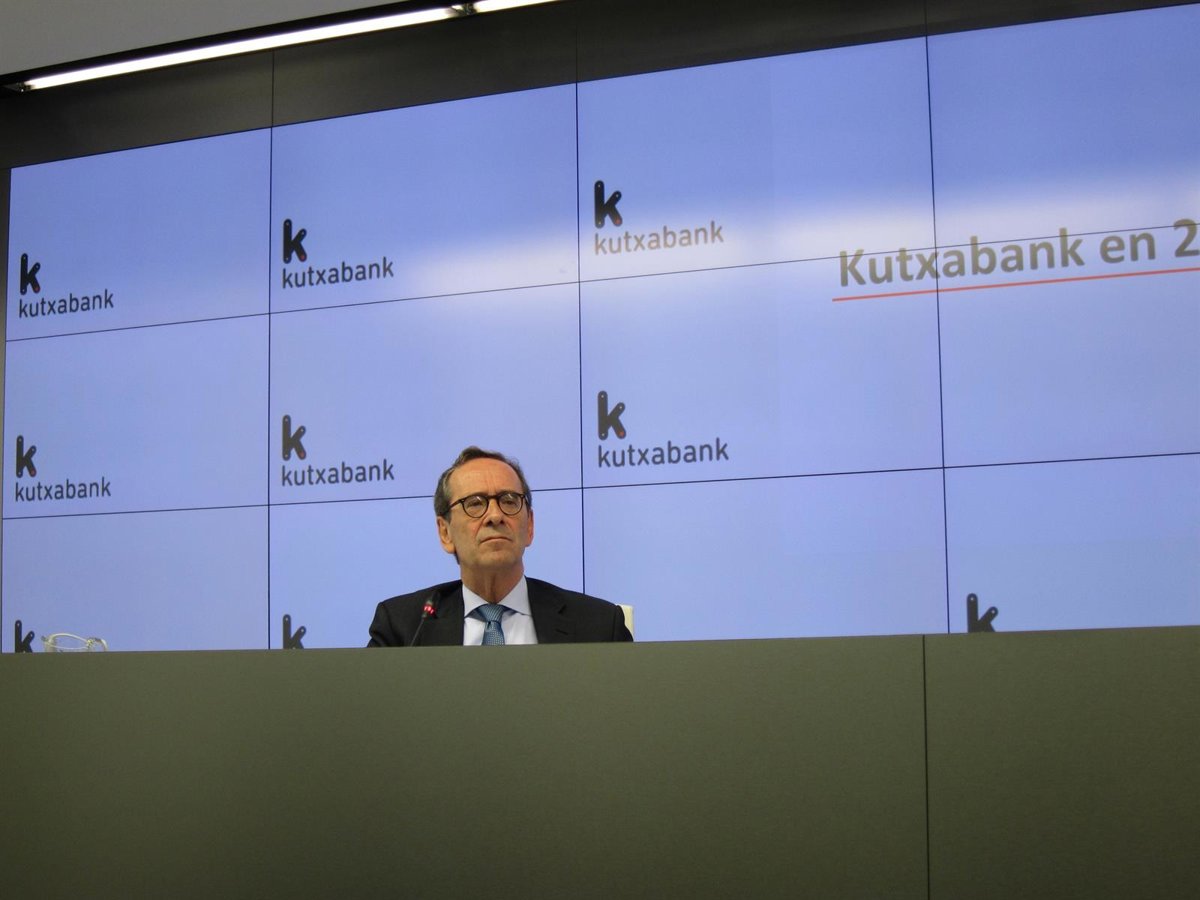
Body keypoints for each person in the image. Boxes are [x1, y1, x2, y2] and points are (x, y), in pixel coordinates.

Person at [367, 446, 632, 646]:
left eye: (508, 500)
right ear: (445, 532)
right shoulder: (404, 628)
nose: (495, 516)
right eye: (474, 503)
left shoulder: (598, 626)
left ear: (529, 526)